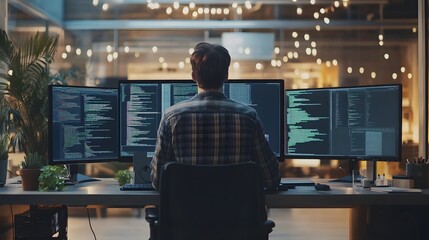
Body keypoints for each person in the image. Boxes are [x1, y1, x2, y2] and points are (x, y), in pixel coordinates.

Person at [150, 42, 280, 191]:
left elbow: (157, 181)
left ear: (193, 76)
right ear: (226, 75)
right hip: (237, 214)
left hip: (188, 214)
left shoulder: (171, 118)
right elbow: (271, 178)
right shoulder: (248, 117)